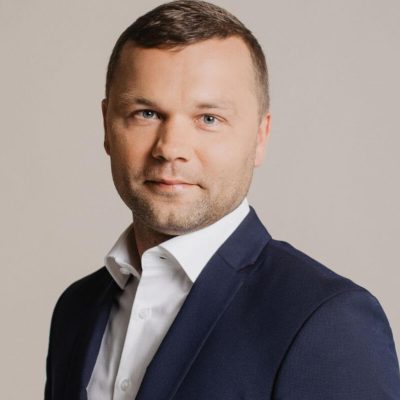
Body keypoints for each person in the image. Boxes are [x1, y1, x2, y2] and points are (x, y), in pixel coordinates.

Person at [44, 1, 400, 399]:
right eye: (146, 113)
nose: (171, 148)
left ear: (260, 137)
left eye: (208, 119)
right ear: (107, 126)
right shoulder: (76, 310)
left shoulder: (328, 323)